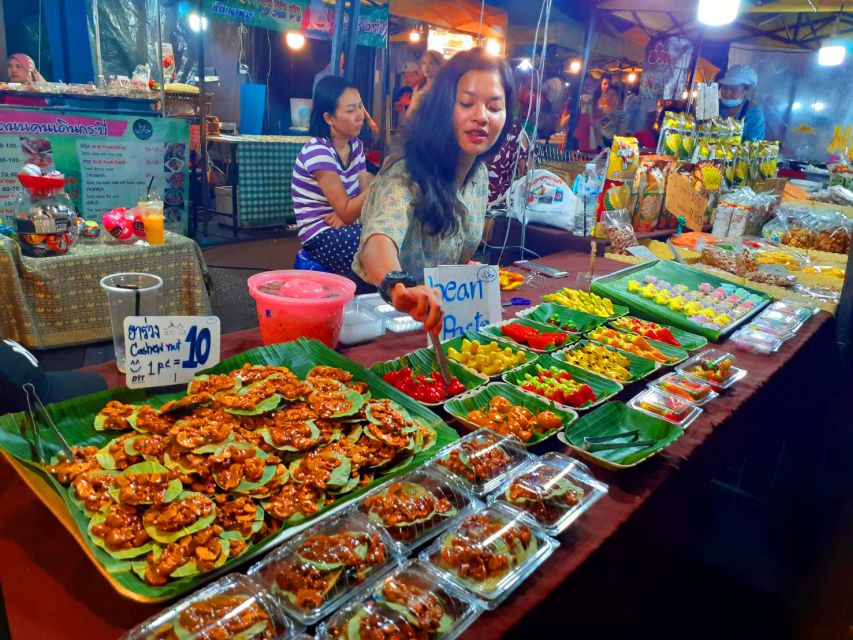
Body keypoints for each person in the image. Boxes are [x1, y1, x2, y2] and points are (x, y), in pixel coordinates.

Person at [353, 48, 514, 334]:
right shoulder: (406, 170)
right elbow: (379, 239)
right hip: (387, 321)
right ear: (443, 106)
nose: (481, 116)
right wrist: (399, 286)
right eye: (466, 103)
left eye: (494, 107)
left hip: (440, 322)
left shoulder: (479, 175)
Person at [291, 75, 372, 276]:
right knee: (378, 238)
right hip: (320, 237)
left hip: (346, 228)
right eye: (350, 110)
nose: (360, 115)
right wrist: (381, 184)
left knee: (385, 232)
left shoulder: (356, 145)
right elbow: (351, 207)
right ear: (329, 118)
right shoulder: (318, 151)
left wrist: (347, 215)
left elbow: (362, 202)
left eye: (360, 106)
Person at [718, 64, 765, 142]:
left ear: (747, 90)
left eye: (733, 90)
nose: (726, 94)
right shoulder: (716, 106)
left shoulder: (754, 114)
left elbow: (755, 145)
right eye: (724, 88)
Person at [406, 50, 444, 120]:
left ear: (439, 66)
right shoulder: (419, 87)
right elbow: (408, 116)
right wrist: (414, 105)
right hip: (419, 128)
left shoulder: (445, 88)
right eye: (423, 63)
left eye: (431, 63)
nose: (426, 67)